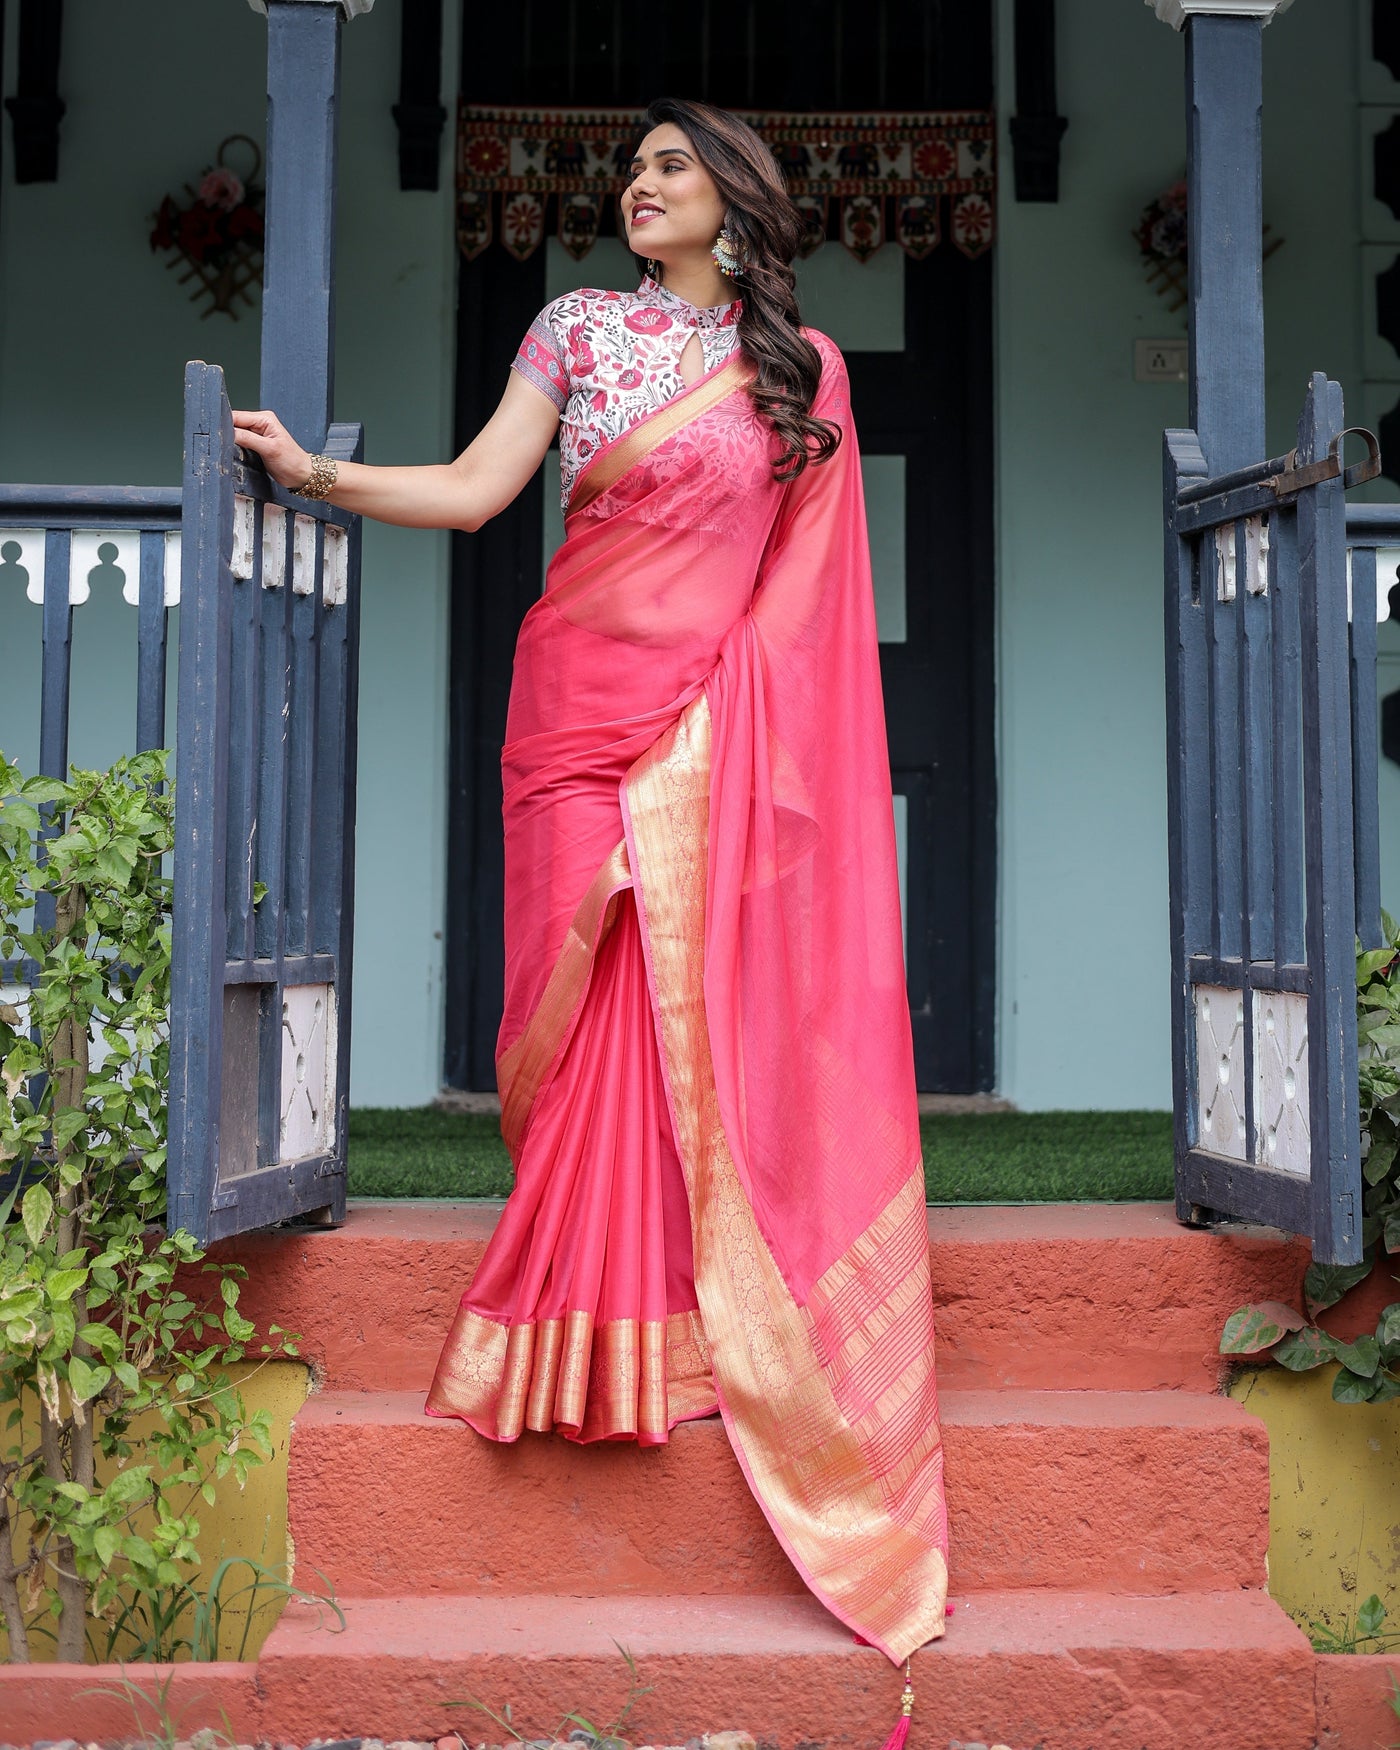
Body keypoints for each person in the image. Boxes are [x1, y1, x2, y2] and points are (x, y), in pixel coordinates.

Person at [232, 96, 947, 1671]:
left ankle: (663, 1348)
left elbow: (806, 614)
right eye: (632, 166)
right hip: (565, 714)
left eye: (672, 166)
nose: (640, 185)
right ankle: (577, 1331)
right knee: (567, 1019)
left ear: (735, 198)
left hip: (706, 728)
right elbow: (485, 490)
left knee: (664, 1017)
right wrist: (316, 477)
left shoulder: (800, 376)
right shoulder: (572, 329)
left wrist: (716, 738)